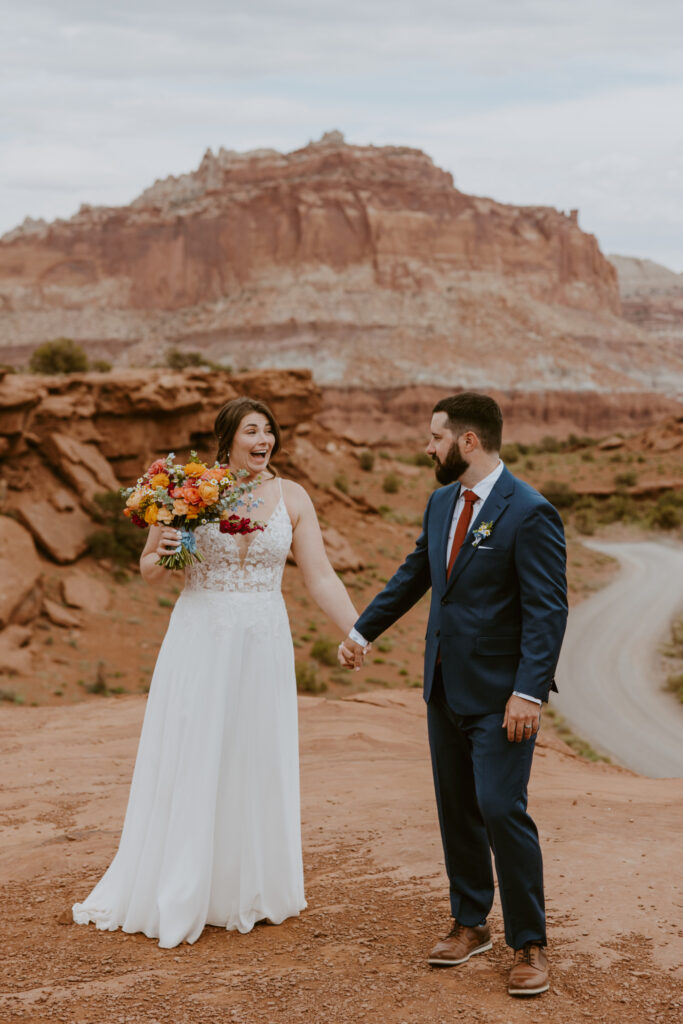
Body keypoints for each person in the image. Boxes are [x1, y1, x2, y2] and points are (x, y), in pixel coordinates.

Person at [73, 396, 360, 948]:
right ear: (227, 438)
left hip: (264, 640)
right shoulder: (187, 491)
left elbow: (320, 576)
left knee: (254, 753)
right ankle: (184, 887)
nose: (264, 439)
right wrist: (170, 546)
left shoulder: (293, 496)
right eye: (252, 430)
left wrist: (356, 630)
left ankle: (246, 887)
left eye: (270, 430)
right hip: (201, 636)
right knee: (197, 750)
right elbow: (150, 568)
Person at [339, 392, 568, 997]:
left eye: (436, 437)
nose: (428, 447)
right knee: (457, 809)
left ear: (468, 441)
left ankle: (529, 942)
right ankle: (472, 923)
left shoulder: (531, 512)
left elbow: (548, 612)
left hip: (503, 698)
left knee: (500, 808)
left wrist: (529, 691)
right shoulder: (442, 502)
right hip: (442, 684)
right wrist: (363, 630)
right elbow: (415, 574)